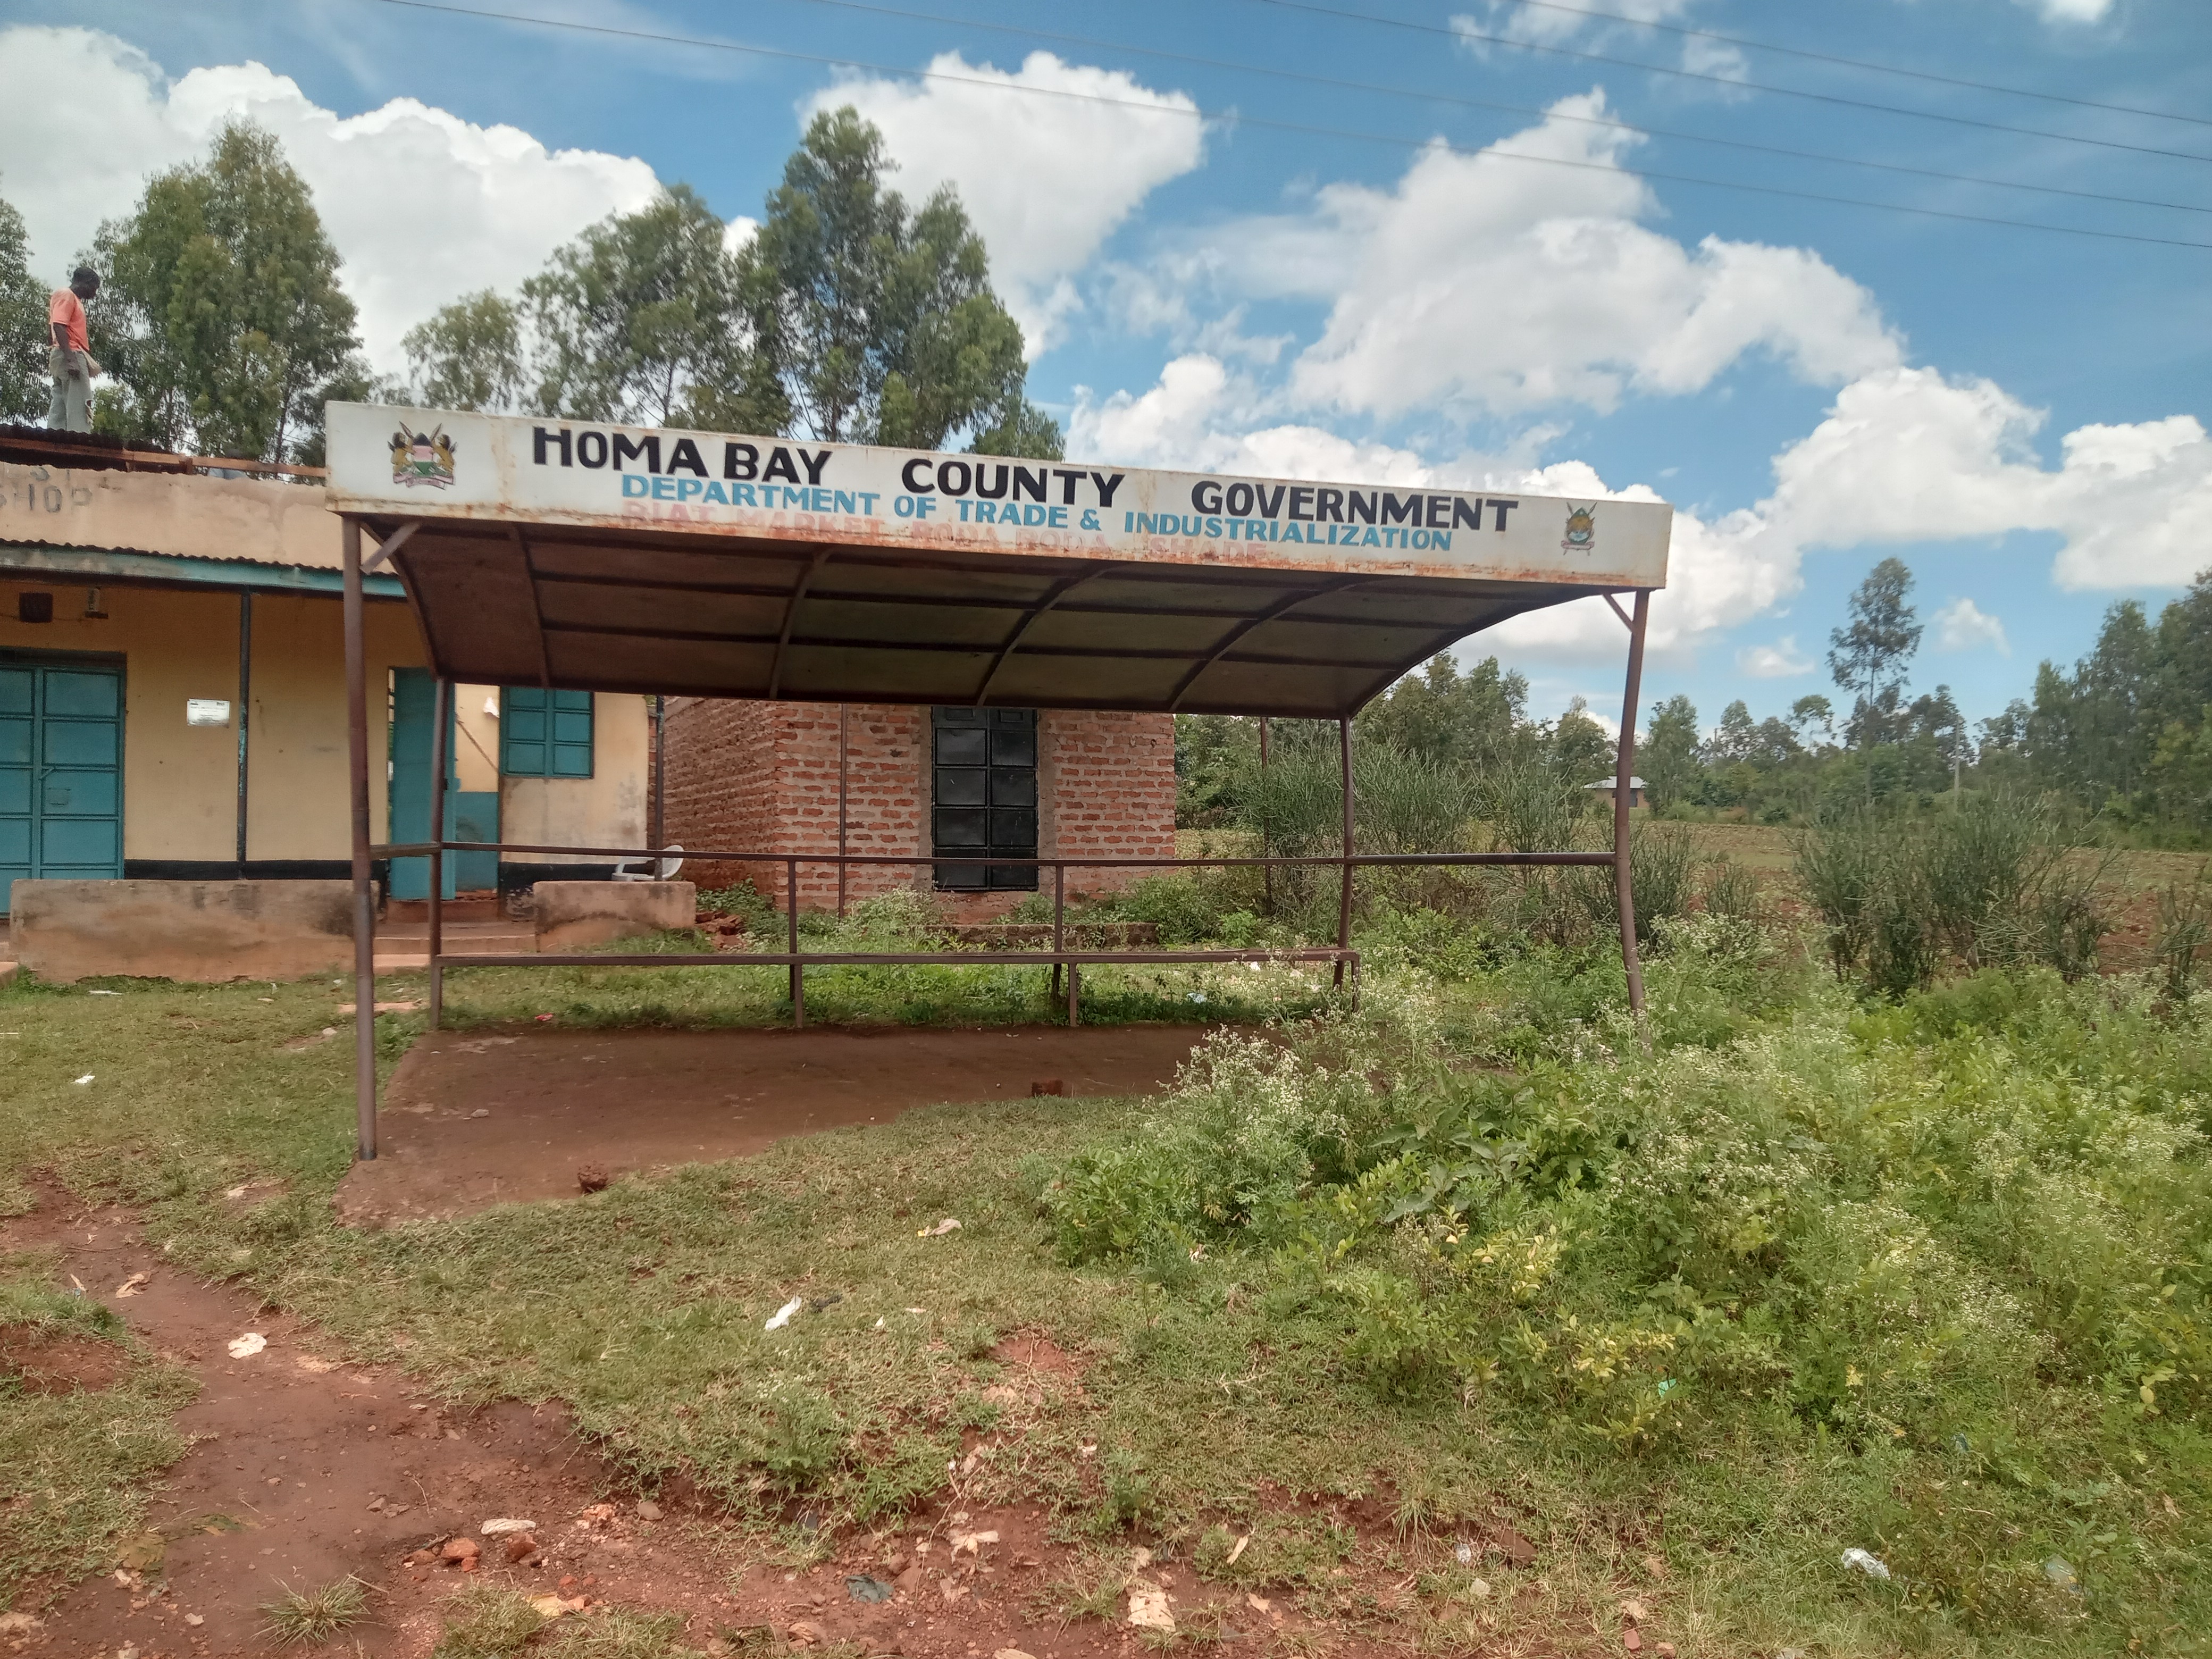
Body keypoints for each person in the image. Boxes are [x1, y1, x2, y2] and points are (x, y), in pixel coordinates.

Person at [48, 266, 101, 433]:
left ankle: (55, 438)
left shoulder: (67, 298)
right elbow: (58, 325)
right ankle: (80, 442)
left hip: (62, 355)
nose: (94, 293)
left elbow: (53, 328)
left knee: (61, 403)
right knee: (79, 403)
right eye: (94, 288)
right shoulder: (67, 295)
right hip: (71, 354)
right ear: (86, 283)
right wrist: (71, 360)